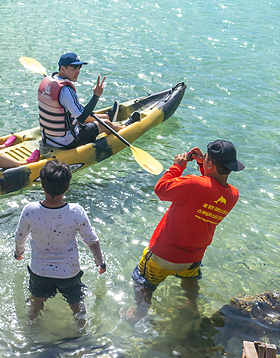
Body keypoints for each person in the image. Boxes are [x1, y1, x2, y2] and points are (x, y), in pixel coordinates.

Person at [123, 140, 244, 323]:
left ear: (210, 164)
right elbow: (210, 190)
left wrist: (177, 167)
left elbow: (161, 190)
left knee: (142, 282)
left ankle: (138, 314)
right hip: (192, 259)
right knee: (191, 279)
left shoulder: (193, 183)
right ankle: (192, 307)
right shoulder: (233, 195)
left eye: (207, 162)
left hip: (162, 256)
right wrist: (204, 165)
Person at [14, 158, 106, 327]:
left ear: (42, 185)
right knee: (77, 306)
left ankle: (31, 334)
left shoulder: (30, 210)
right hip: (68, 272)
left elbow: (20, 236)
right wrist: (100, 261)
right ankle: (81, 334)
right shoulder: (76, 211)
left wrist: (18, 252)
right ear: (67, 187)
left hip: (39, 271)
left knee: (35, 306)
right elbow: (91, 241)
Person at [37, 52, 130, 150]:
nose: (78, 72)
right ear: (63, 69)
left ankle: (108, 116)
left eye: (79, 68)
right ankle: (125, 127)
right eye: (74, 68)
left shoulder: (46, 82)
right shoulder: (65, 89)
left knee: (79, 111)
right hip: (67, 142)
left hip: (48, 139)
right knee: (105, 123)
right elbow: (82, 118)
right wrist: (96, 96)